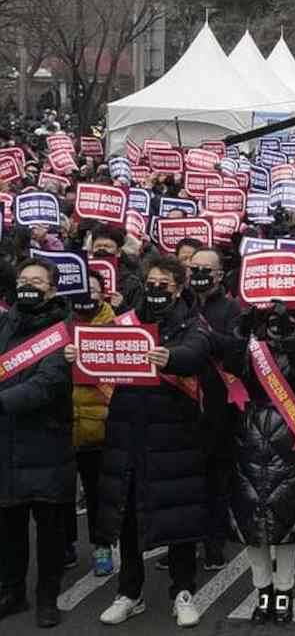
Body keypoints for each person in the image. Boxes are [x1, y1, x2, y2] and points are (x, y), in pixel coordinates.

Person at [91, 255, 212, 627]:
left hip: (174, 435)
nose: (156, 288)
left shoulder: (192, 322)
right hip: (128, 433)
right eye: (152, 281)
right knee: (127, 519)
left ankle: (183, 591)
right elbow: (99, 350)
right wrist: (81, 355)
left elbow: (196, 353)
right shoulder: (126, 320)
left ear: (179, 287)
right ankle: (130, 592)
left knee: (179, 518)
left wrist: (170, 357)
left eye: (165, 283)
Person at [226, 303, 295, 623]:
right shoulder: (251, 343)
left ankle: (284, 590)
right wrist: (245, 325)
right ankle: (262, 589)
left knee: (288, 520)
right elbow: (232, 364)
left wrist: (291, 334)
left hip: (289, 436)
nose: (277, 324)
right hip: (249, 435)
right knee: (252, 522)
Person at [0, 258, 74, 628]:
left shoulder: (63, 333)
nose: (28, 285)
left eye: (37, 281)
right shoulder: (4, 323)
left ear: (53, 289)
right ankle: (12, 591)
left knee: (49, 531)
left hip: (46, 442)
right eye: (23, 279)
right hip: (6, 445)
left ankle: (48, 596)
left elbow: (48, 384)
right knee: (9, 528)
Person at [186, 248, 242, 571]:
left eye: (207, 269)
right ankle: (185, 539)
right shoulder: (182, 304)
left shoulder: (232, 308)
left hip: (220, 404)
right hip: (184, 402)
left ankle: (214, 542)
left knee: (216, 477)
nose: (200, 274)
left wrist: (209, 339)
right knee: (187, 477)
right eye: (195, 268)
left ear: (220, 274)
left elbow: (237, 350)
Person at [64, 271, 116, 578]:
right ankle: (65, 544)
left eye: (93, 290)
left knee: (98, 493)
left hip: (100, 425)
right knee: (61, 493)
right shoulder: (58, 328)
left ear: (104, 293)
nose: (87, 296)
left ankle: (102, 546)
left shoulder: (119, 327)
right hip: (63, 424)